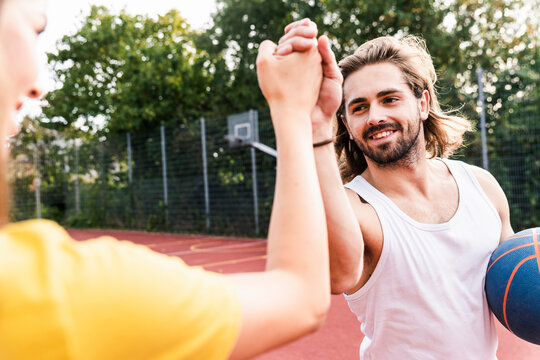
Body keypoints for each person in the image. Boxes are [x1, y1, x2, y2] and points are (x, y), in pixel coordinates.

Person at [0, 2, 331, 358]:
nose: (37, 88)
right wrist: (294, 111)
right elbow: (299, 295)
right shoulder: (62, 295)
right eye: (36, 29)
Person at [276, 20, 514, 359]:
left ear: (422, 103)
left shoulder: (482, 187)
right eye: (359, 107)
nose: (374, 116)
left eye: (389, 99)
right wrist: (314, 121)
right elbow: (336, 277)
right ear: (346, 124)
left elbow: (518, 280)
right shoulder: (356, 209)